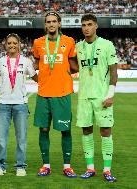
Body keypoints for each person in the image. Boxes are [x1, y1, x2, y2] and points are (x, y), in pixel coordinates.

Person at [32, 11, 78, 178]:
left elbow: (75, 66)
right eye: (48, 22)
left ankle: (67, 166)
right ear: (45, 25)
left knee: (65, 130)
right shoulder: (38, 43)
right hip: (44, 94)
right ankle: (46, 165)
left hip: (63, 93)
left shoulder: (69, 41)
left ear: (59, 24)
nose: (51, 24)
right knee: (43, 129)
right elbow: (37, 63)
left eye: (54, 21)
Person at [76, 14, 118, 182]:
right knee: (86, 130)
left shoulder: (107, 45)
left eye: (90, 24)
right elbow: (71, 66)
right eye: (84, 25)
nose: (86, 28)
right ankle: (90, 168)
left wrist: (111, 94)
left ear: (96, 26)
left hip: (102, 97)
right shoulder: (78, 47)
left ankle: (107, 170)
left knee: (106, 131)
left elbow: (114, 72)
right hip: (84, 97)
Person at [0, 33, 37, 177]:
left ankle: (20, 166)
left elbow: (35, 77)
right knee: (1, 138)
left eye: (14, 43)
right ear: (5, 45)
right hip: (3, 104)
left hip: (20, 105)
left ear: (19, 45)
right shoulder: (0, 61)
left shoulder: (26, 61)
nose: (12, 45)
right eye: (9, 43)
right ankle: (0, 165)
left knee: (21, 138)